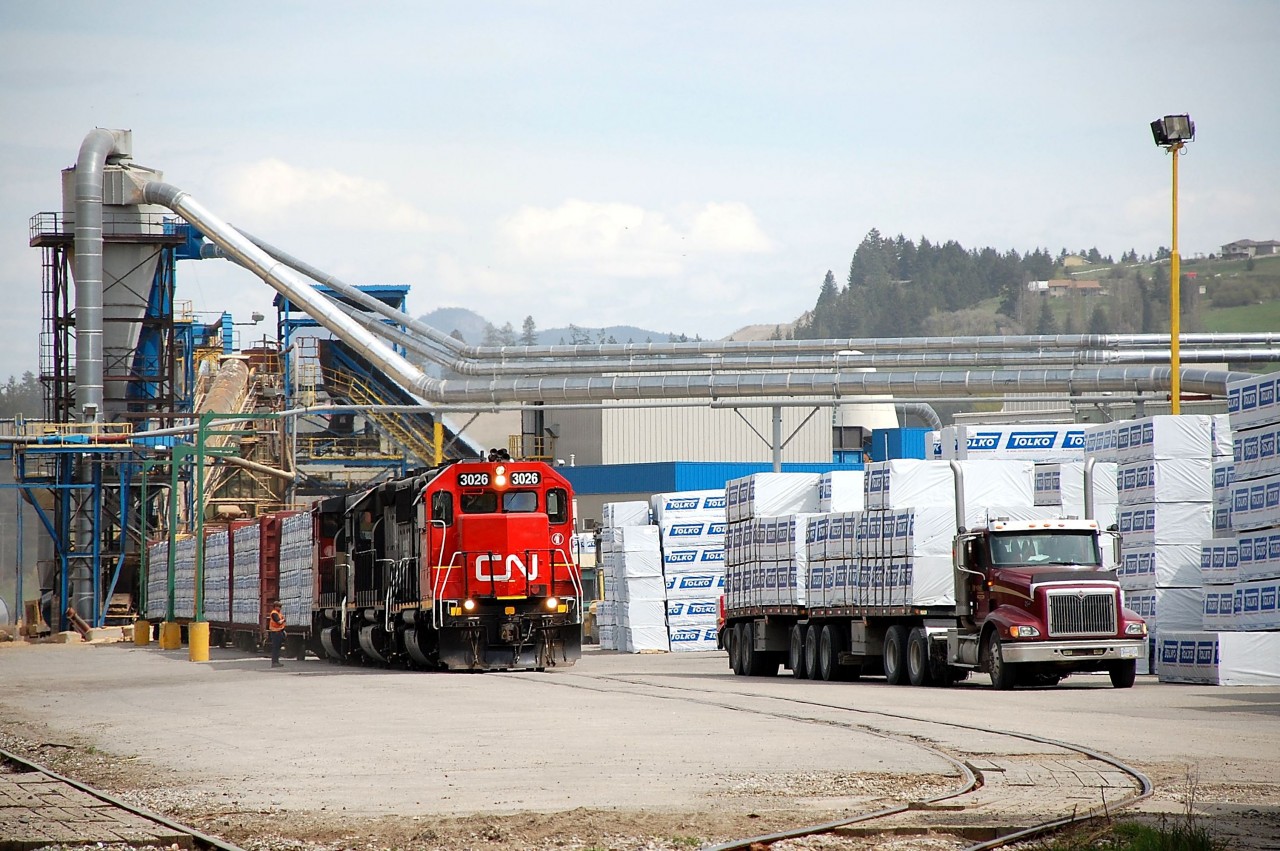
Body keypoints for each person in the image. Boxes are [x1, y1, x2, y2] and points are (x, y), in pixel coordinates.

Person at [268, 599, 286, 667]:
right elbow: (279, 622)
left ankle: (276, 662)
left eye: (280, 607)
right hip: (275, 633)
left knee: (278, 648)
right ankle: (274, 662)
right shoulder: (274, 613)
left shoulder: (278, 613)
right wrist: (283, 620)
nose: (280, 608)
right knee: (275, 648)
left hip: (279, 632)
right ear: (275, 607)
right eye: (279, 607)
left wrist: (283, 630)